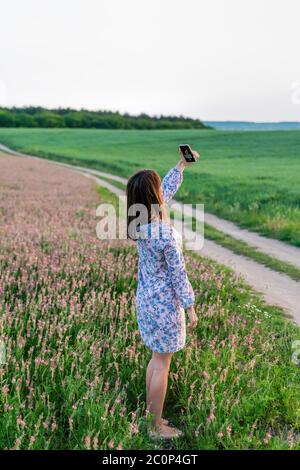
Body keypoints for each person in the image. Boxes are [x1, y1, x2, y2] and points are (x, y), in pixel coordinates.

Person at [126, 147, 199, 439]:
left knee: (155, 360)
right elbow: (178, 274)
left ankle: (151, 415)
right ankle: (156, 427)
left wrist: (180, 166)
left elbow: (163, 194)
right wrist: (190, 305)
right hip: (166, 305)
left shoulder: (140, 223)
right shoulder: (165, 233)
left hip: (146, 301)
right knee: (161, 364)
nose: (161, 193)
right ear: (153, 198)